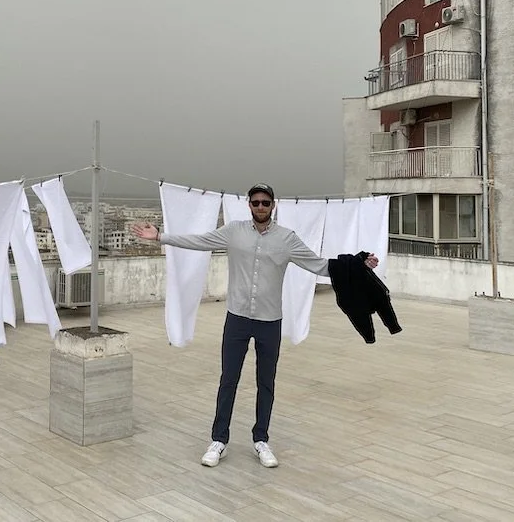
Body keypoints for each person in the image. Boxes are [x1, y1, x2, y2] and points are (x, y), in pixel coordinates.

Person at [131, 183, 378, 469]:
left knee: (266, 382)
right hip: (236, 318)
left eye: (266, 202)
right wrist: (160, 236)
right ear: (249, 205)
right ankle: (218, 440)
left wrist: (359, 265)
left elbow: (320, 265)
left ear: (273, 205)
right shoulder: (234, 231)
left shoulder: (287, 239)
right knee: (228, 380)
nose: (260, 207)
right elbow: (200, 241)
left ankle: (261, 440)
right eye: (256, 202)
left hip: (270, 321)